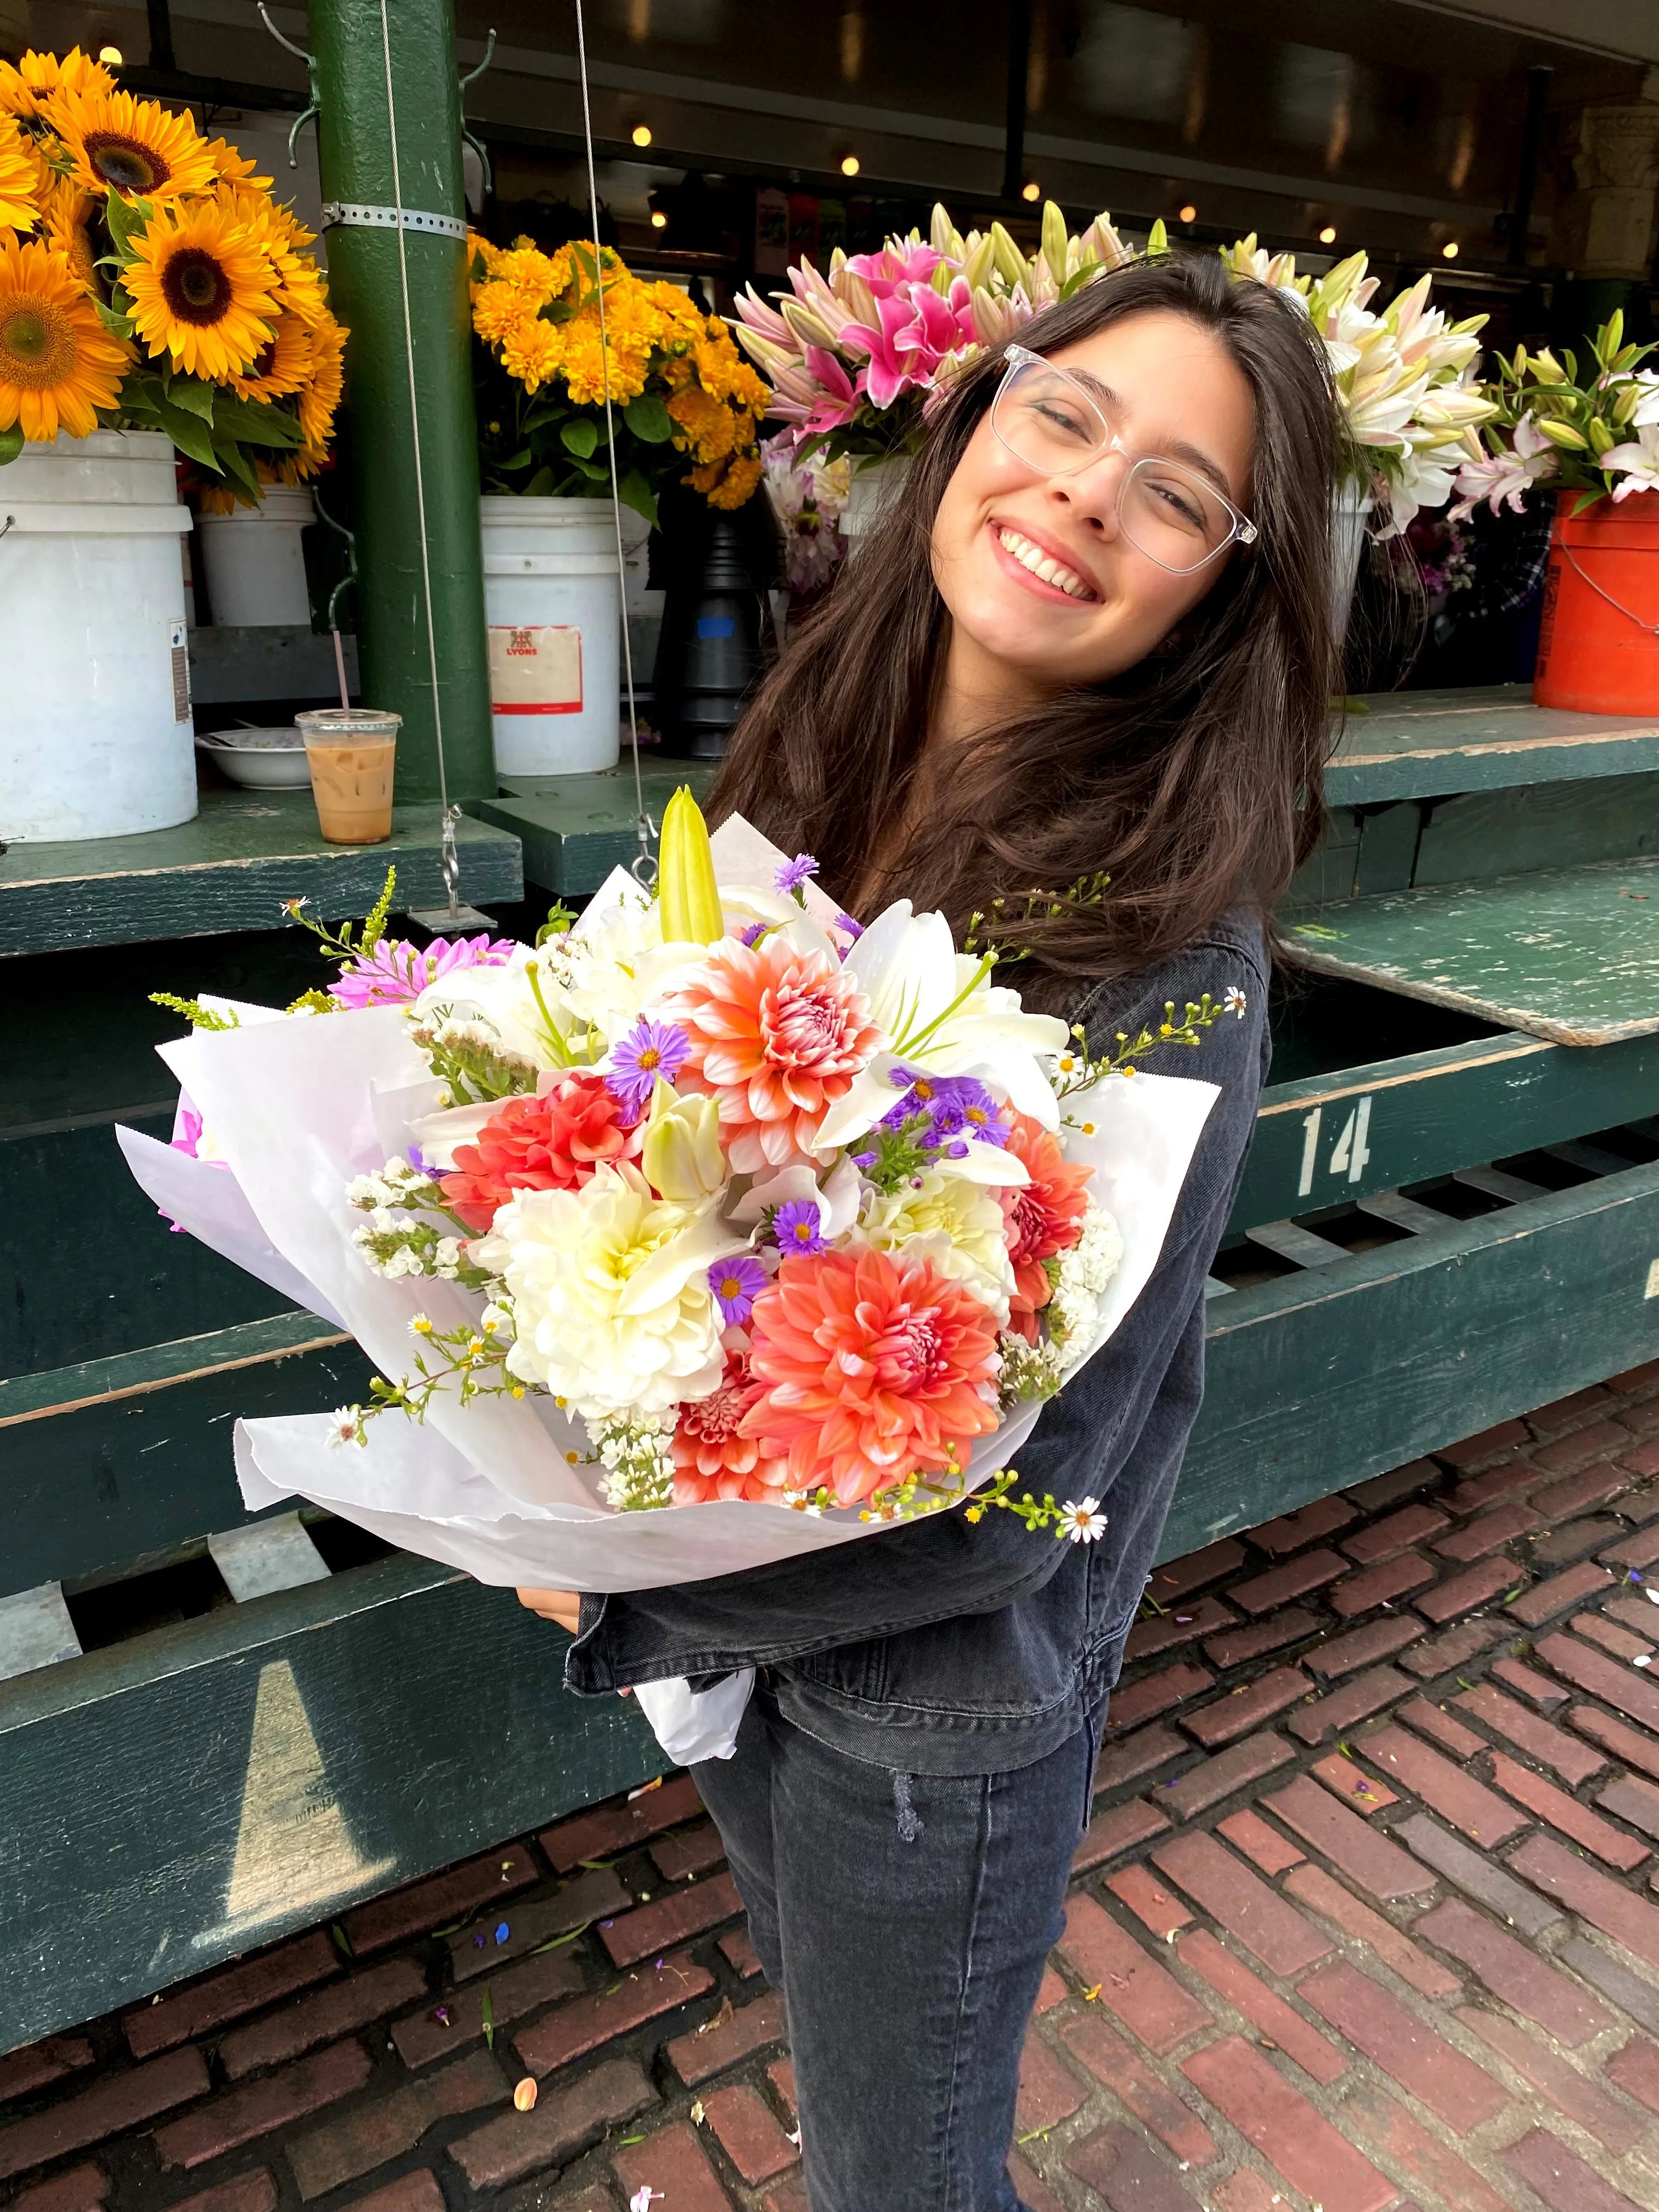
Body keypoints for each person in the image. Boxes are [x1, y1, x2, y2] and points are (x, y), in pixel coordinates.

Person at [517, 250, 1339, 2211]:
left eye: (1175, 492)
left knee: (901, 2177)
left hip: (933, 1705)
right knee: (841, 2074)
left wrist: (634, 1596)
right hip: (743, 1631)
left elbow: (1035, 1459)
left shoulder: (1170, 949)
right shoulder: (811, 765)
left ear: (1220, 580)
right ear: (978, 414)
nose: (1086, 495)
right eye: (1066, 417)